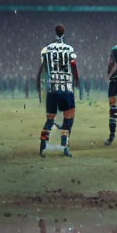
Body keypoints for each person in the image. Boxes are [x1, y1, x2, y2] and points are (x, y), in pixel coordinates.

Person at [38, 24, 80, 158]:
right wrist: (76, 78)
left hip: (52, 88)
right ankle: (65, 146)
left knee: (50, 118)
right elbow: (73, 63)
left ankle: (42, 146)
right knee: (68, 117)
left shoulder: (46, 49)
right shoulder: (69, 49)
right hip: (66, 87)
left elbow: (44, 67)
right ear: (64, 33)